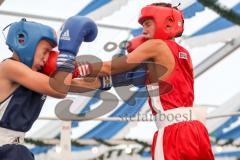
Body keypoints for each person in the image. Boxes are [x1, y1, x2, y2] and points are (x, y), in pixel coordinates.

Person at [76, 3, 214, 160]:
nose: (144, 30)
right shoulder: (184, 54)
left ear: (166, 22)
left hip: (173, 131)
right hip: (196, 130)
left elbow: (111, 67)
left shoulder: (156, 45)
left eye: (148, 24)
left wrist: (78, 68)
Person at [0, 16, 102, 159]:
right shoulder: (9, 67)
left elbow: (71, 86)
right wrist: (68, 54)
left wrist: (103, 82)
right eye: (46, 50)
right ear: (25, 43)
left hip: (15, 148)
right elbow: (59, 90)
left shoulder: (33, 76)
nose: (47, 58)